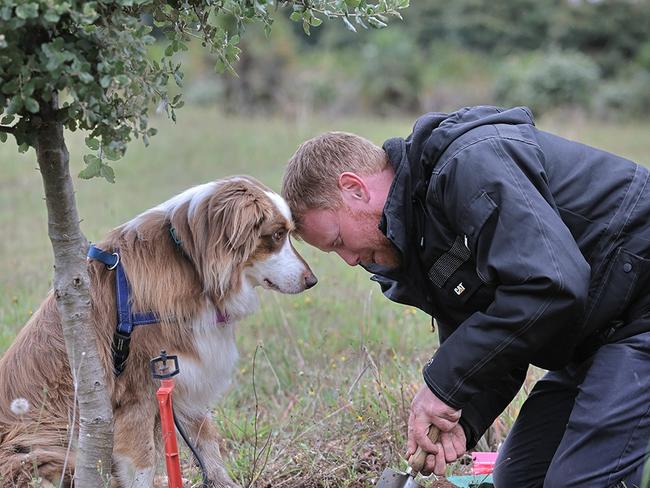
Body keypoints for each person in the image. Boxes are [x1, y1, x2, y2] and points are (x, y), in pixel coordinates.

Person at [280, 106, 650, 487]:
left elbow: (550, 285)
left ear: (354, 188)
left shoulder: (470, 165)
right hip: (596, 336)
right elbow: (503, 341)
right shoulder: (421, 241)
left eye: (339, 241)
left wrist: (442, 384)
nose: (351, 260)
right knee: (518, 480)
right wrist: (459, 416)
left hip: (640, 309)